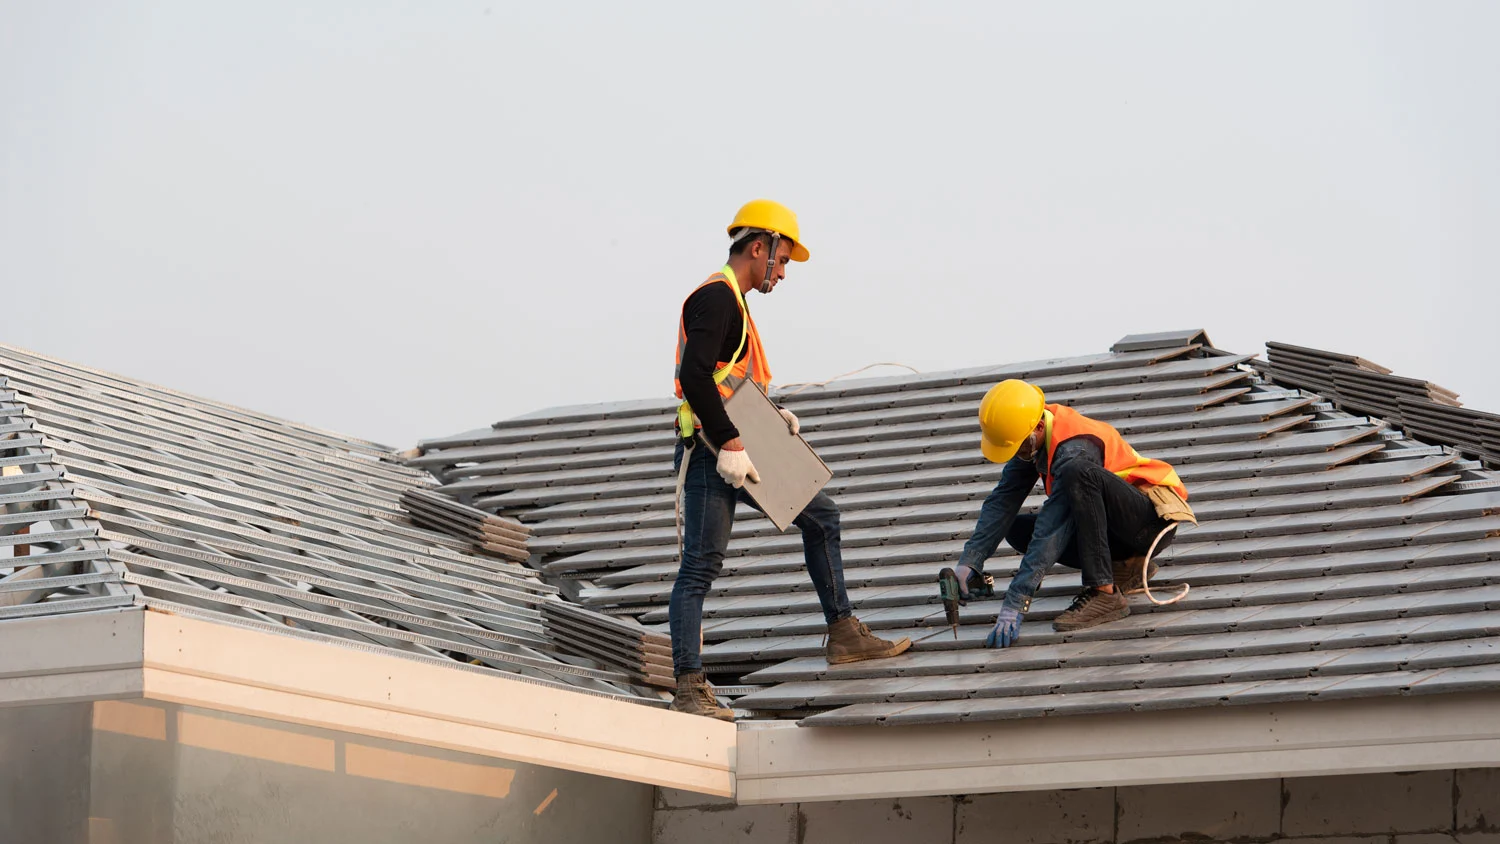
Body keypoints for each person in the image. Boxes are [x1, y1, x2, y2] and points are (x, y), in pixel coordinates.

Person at [669, 199, 910, 720]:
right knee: (699, 569)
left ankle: (844, 633)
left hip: (736, 443)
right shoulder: (716, 298)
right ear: (759, 247)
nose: (782, 272)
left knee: (821, 516)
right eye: (781, 260)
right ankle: (689, 686)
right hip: (714, 453)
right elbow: (693, 377)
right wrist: (732, 440)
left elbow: (722, 379)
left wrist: (771, 416)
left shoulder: (733, 302)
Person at [938, 379, 1194, 649]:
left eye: (1020, 447)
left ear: (1037, 426)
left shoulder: (1075, 449)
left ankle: (1105, 593)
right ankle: (1125, 566)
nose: (1018, 454)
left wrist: (1017, 599)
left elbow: (1053, 527)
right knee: (1016, 528)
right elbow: (1002, 500)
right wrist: (971, 561)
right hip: (1119, 529)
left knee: (1076, 475)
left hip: (1149, 523)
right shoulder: (1032, 438)